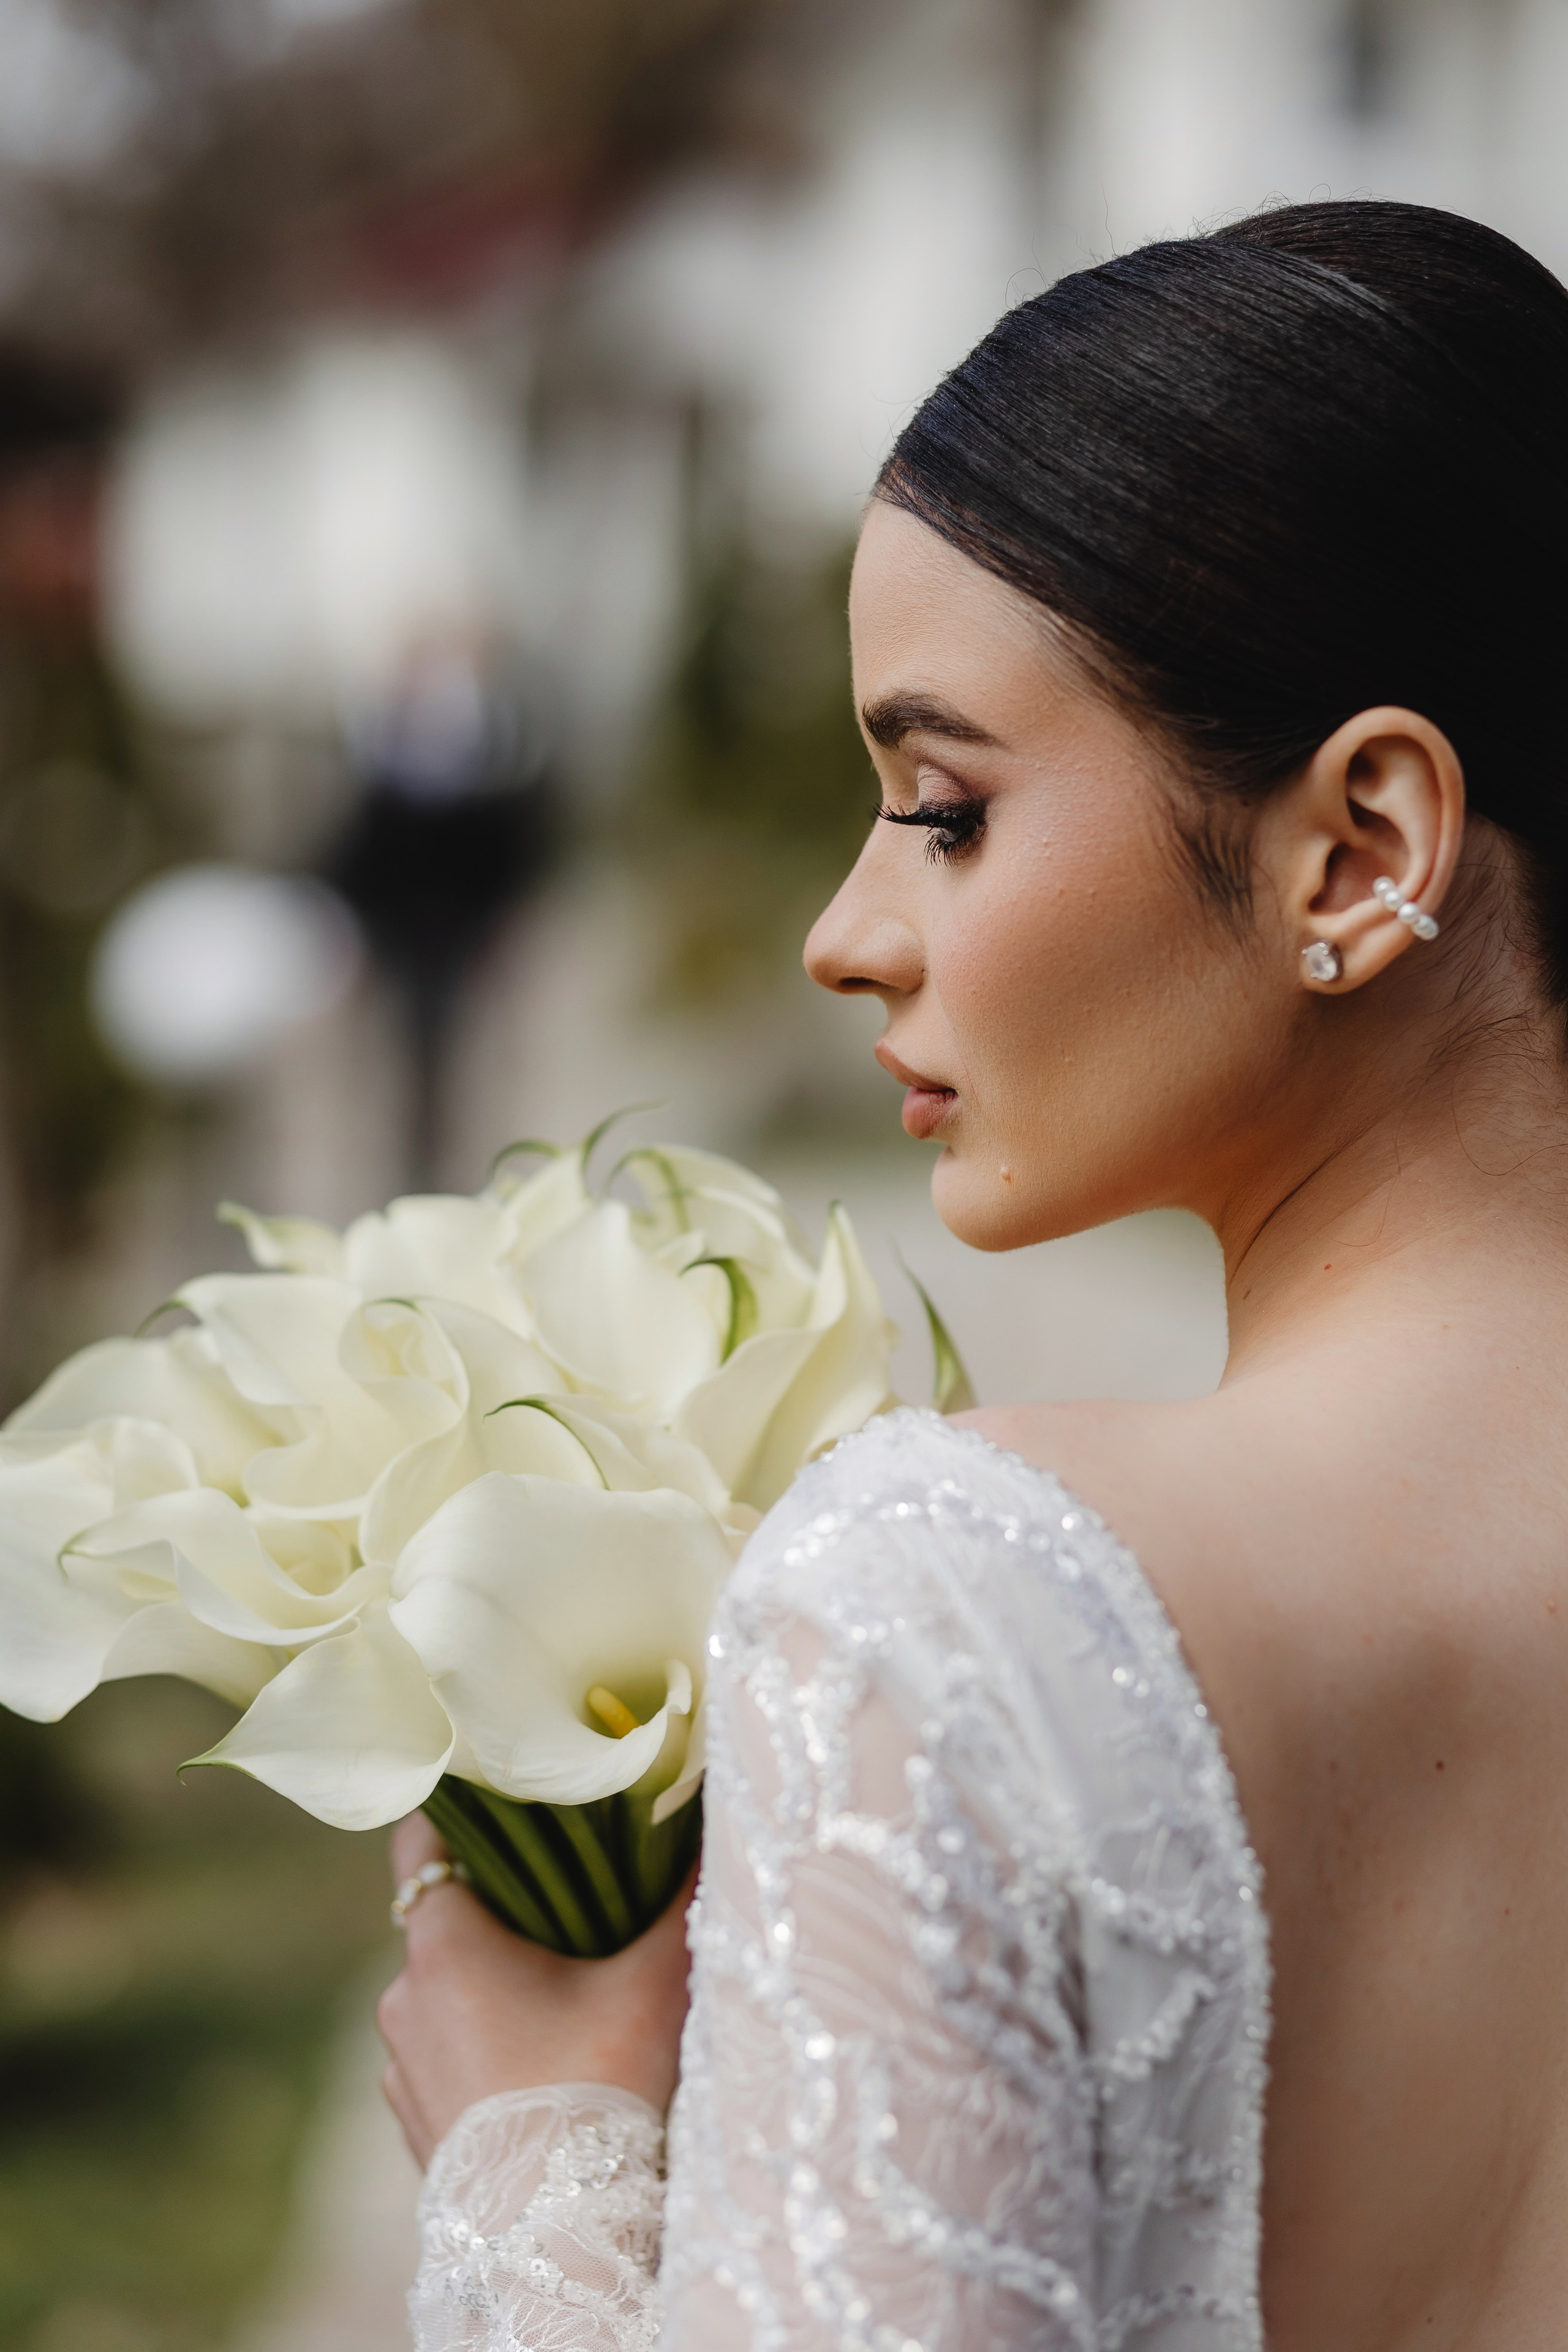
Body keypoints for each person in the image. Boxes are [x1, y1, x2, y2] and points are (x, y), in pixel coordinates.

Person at [375, 198, 1568, 2348]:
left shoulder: (967, 1605)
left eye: (941, 807)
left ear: (1365, 844)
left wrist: (534, 2162)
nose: (851, 928)